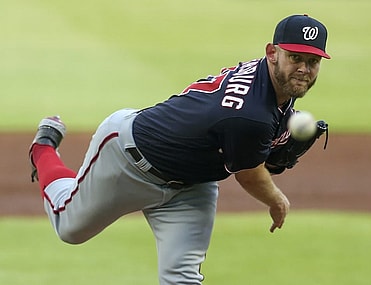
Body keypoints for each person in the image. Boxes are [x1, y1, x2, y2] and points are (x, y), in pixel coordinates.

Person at [29, 14, 330, 284]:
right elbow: (249, 174)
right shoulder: (249, 115)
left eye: (312, 61)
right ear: (272, 53)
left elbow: (255, 143)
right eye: (295, 58)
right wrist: (277, 200)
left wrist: (272, 148)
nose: (304, 69)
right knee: (69, 229)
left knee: (182, 279)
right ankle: (43, 147)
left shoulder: (274, 85)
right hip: (128, 158)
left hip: (191, 186)